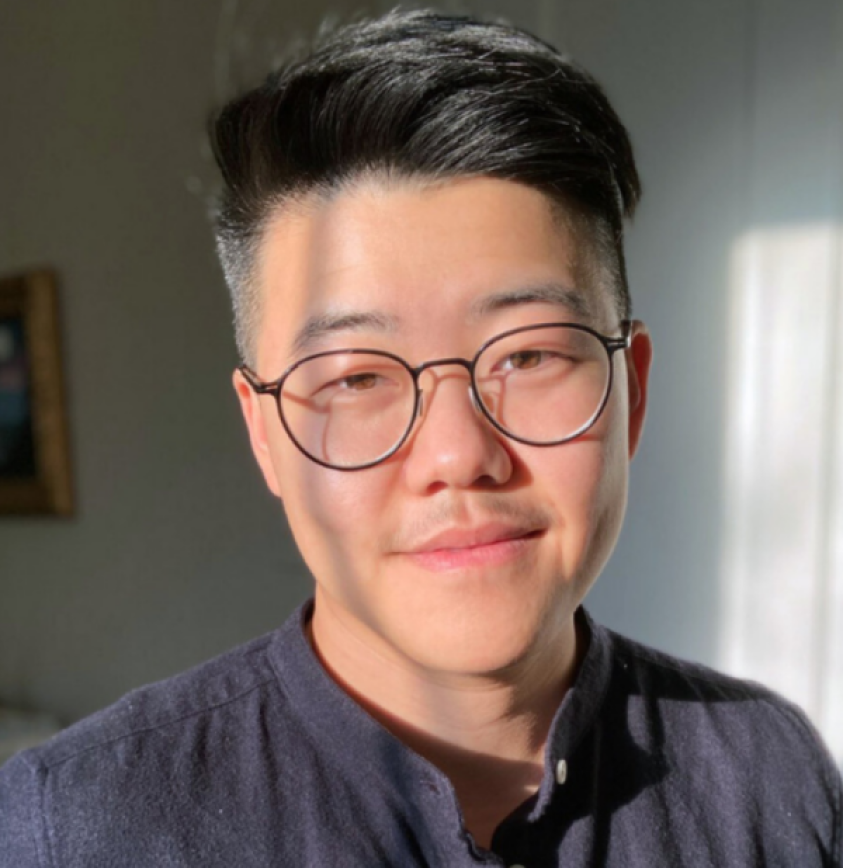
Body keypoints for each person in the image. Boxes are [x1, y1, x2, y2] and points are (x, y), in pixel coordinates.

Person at [1, 9, 840, 866]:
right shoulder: (72, 825)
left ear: (632, 391)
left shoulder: (771, 776)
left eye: (528, 354)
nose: (457, 456)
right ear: (265, 436)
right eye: (356, 377)